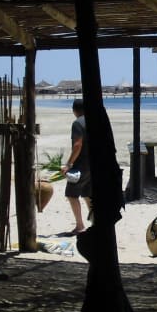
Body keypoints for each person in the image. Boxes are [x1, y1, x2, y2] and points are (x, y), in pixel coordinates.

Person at [60, 98, 91, 234]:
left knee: (72, 195)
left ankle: (80, 225)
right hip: (93, 165)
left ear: (74, 111)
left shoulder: (77, 124)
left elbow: (77, 145)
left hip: (81, 165)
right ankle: (96, 223)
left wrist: (68, 164)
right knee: (88, 194)